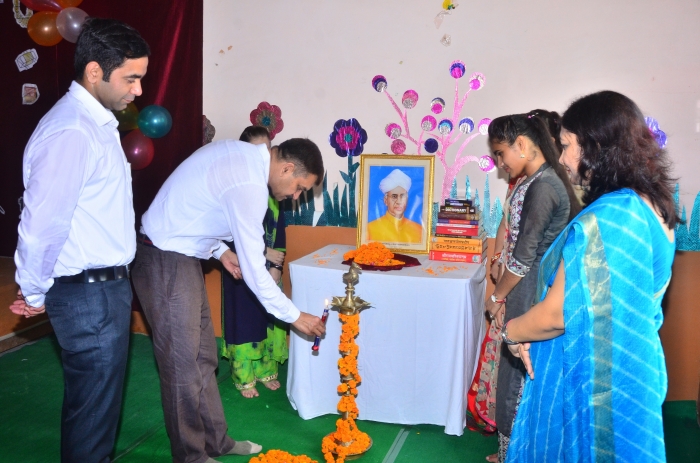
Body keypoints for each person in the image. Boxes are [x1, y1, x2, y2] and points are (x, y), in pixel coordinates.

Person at [502, 91, 677, 462]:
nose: (562, 158)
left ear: (596, 148)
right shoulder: (648, 202)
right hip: (629, 369)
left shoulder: (613, 217)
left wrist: (512, 332)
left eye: (567, 146)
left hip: (600, 383)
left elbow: (558, 314)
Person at [130, 137, 326, 463]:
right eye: (299, 188)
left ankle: (216, 442)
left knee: (204, 357)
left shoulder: (242, 156)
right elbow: (255, 271)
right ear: (287, 168)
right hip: (164, 259)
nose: (295, 196)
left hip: (181, 256)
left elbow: (197, 208)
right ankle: (191, 456)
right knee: (182, 367)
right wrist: (294, 316)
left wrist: (220, 251)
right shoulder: (249, 183)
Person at [10, 18, 149, 462]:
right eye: (131, 78)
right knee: (92, 421)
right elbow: (42, 224)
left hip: (101, 291)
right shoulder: (72, 130)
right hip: (89, 296)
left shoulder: (95, 123)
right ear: (94, 72)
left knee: (95, 412)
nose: (138, 91)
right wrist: (33, 289)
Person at [482, 110, 581, 463]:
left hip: (532, 288)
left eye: (500, 153)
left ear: (522, 144)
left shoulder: (544, 186)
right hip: (525, 286)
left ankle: (515, 454)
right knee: (514, 371)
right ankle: (511, 451)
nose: (499, 162)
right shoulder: (534, 180)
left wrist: (497, 296)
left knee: (518, 375)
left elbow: (524, 258)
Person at [221, 126, 288, 398]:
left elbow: (279, 233)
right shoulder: (237, 186)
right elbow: (231, 234)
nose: (263, 154)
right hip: (238, 267)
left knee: (266, 319)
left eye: (268, 148)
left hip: (268, 270)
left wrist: (276, 267)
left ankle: (265, 370)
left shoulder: (274, 189)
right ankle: (243, 375)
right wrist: (264, 254)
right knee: (243, 321)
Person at [366, 168, 423, 243]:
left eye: (402, 196)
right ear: (386, 200)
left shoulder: (419, 230)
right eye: (394, 196)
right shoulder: (370, 229)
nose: (399, 202)